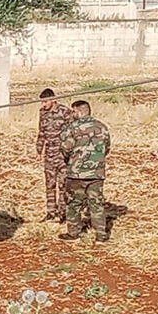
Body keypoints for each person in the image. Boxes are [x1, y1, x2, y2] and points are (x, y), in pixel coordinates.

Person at [58, 100, 111, 243]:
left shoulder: (72, 128)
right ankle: (101, 235)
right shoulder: (102, 127)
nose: (72, 114)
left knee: (74, 203)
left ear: (79, 111)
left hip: (77, 173)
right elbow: (106, 148)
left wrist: (71, 161)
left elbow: (65, 148)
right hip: (96, 173)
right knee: (97, 203)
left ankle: (73, 233)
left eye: (73, 111)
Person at [36, 88, 75, 223]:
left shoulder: (65, 112)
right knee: (49, 184)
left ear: (53, 100)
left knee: (63, 184)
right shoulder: (43, 113)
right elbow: (41, 132)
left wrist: (70, 152)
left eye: (45, 102)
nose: (43, 105)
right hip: (49, 154)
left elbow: (72, 133)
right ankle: (51, 212)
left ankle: (62, 213)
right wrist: (39, 150)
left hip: (62, 155)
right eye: (42, 102)